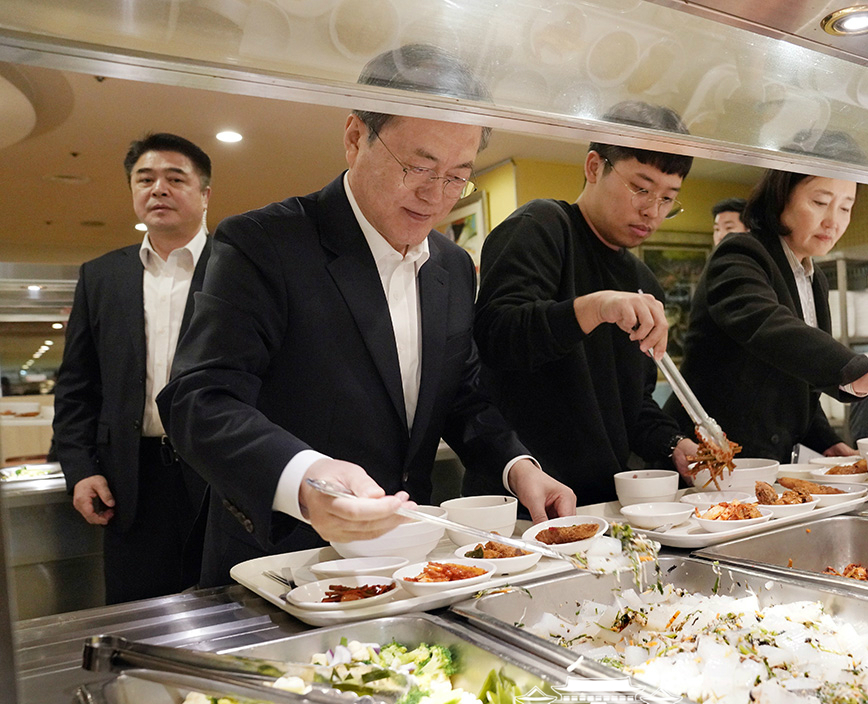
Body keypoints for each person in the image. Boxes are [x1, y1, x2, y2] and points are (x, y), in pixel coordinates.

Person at [159, 45, 574, 587]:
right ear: (356, 137)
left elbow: (462, 396)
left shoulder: (450, 265)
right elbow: (199, 400)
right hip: (284, 561)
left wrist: (519, 468)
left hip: (410, 561)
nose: (434, 195)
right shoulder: (265, 244)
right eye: (418, 166)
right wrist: (305, 477)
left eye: (457, 177)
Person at [467, 101, 700, 506]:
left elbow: (632, 404)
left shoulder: (643, 283)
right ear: (594, 167)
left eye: (667, 199)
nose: (652, 210)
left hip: (601, 504)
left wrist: (673, 442)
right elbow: (497, 337)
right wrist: (594, 308)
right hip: (520, 502)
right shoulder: (541, 227)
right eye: (641, 188)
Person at [669, 169, 868, 465]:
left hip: (764, 463)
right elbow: (772, 330)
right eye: (820, 202)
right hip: (704, 457)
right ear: (780, 198)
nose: (833, 221)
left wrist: (827, 441)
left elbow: (799, 379)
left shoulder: (813, 276)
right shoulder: (740, 254)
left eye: (845, 208)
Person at [54, 132, 212, 603]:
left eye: (174, 178)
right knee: (137, 617)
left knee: (232, 613)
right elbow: (77, 385)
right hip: (130, 480)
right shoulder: (102, 276)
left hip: (221, 475)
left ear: (205, 194)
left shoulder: (241, 268)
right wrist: (80, 468)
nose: (157, 188)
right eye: (145, 179)